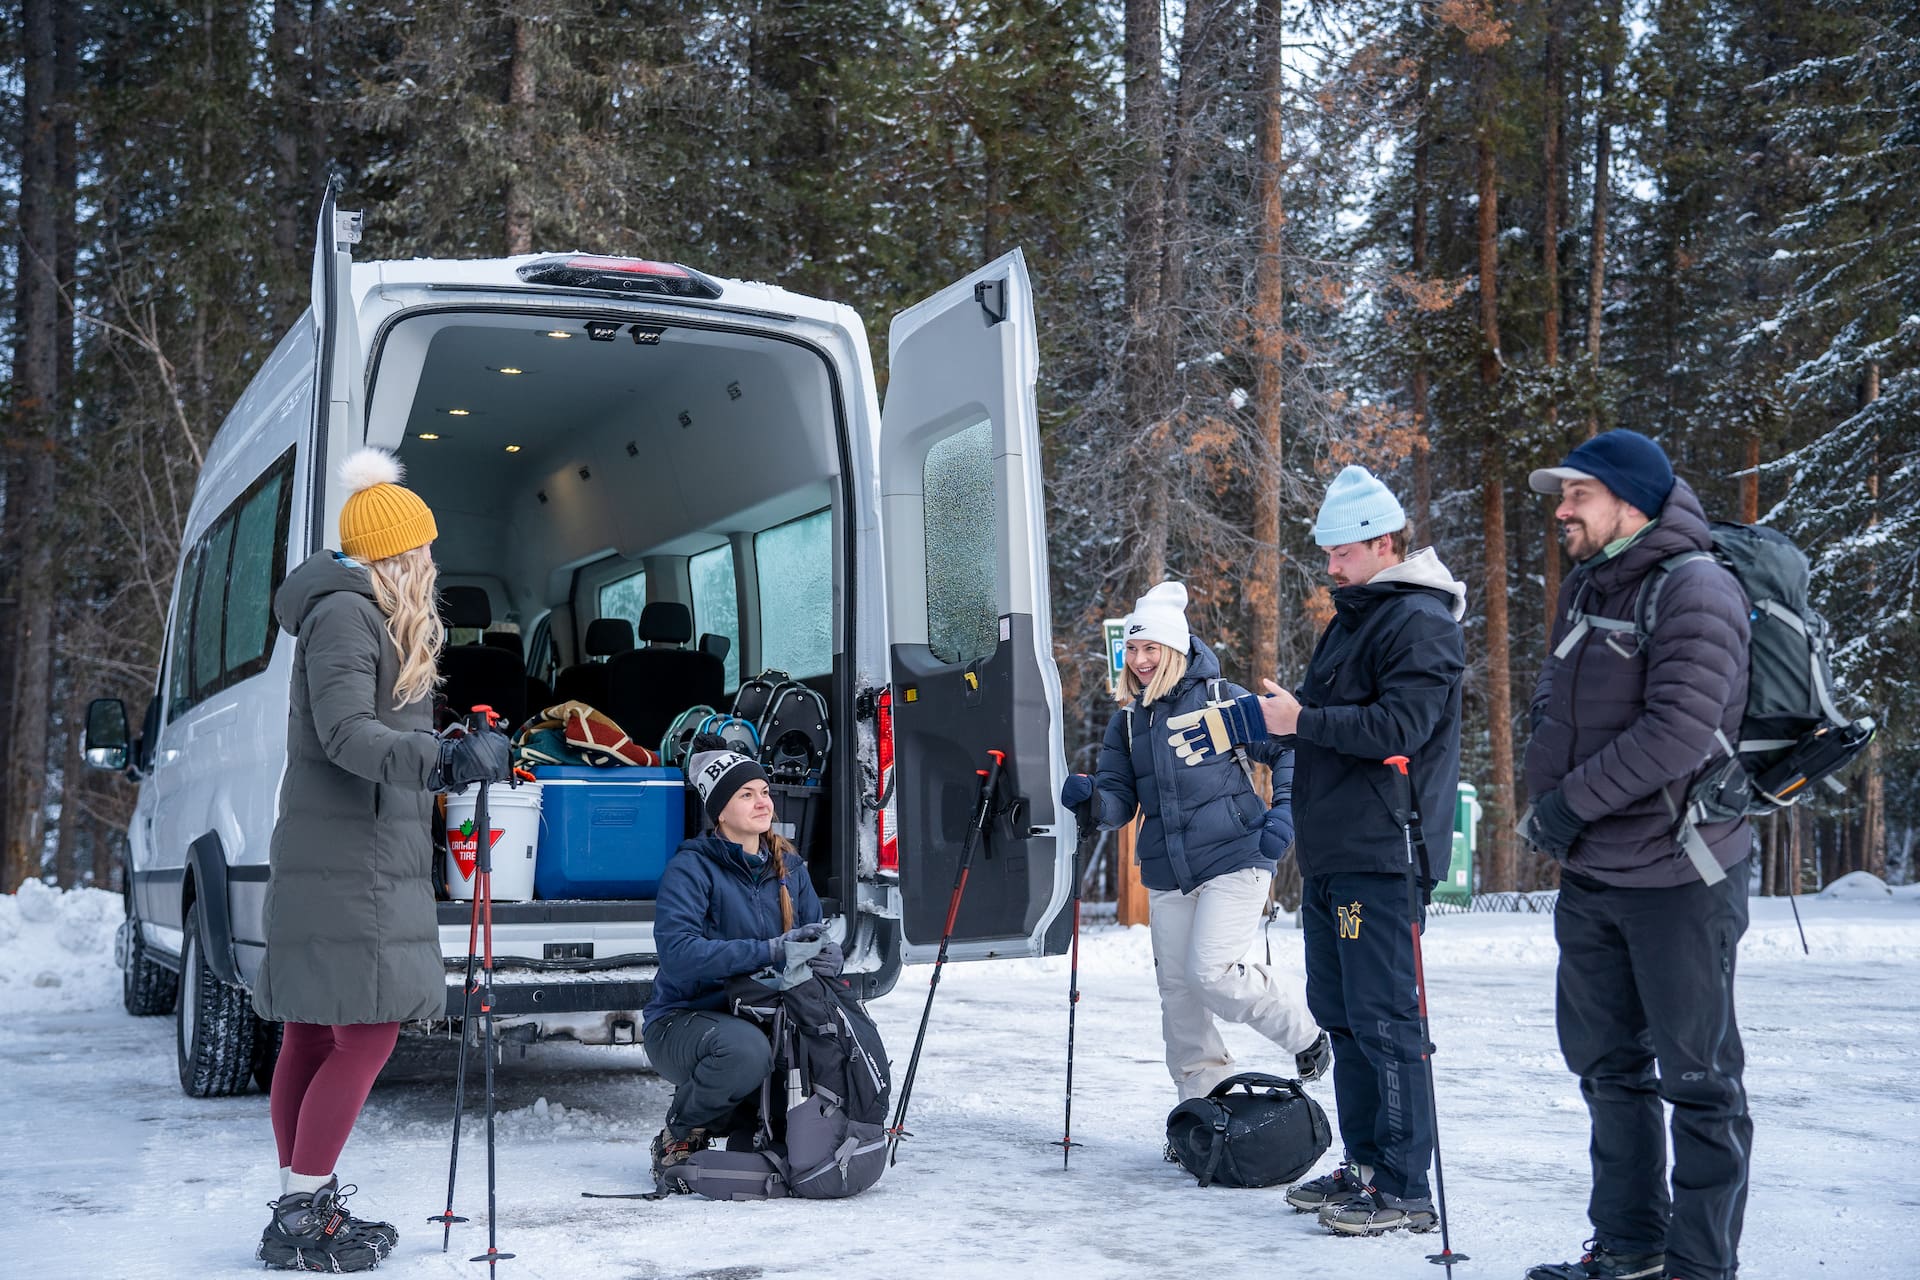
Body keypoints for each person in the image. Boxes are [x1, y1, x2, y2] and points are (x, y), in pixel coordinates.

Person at [1164, 465, 1466, 1237]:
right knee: (1342, 1015)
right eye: (1327, 552)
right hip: (1334, 853)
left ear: (1385, 543)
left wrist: (1297, 720)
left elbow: (1401, 728)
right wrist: (1245, 723)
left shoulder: (1421, 622)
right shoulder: (1356, 619)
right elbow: (1317, 722)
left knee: (1383, 1018)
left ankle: (1404, 1185)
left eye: (1342, 552)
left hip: (1382, 853)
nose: (1330, 565)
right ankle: (1364, 1165)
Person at [251, 447, 512, 1273]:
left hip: (355, 850)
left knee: (316, 1030)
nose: (432, 559)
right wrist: (442, 759)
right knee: (362, 1033)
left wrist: (449, 741)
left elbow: (378, 727)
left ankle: (301, 1203)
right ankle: (302, 1211)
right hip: (348, 858)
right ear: (398, 554)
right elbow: (346, 735)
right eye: (424, 546)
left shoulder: (362, 614)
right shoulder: (344, 614)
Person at [1520, 430, 1753, 1280]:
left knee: (1700, 1082)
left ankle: (1700, 1267)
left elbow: (1678, 732)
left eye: (1577, 494)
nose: (1562, 510)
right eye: (1562, 495)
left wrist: (1565, 805)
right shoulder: (1590, 583)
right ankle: (1629, 1247)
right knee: (1607, 1069)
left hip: (1679, 876)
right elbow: (1557, 696)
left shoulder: (1697, 588)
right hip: (1594, 873)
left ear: (1630, 501)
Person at [1059, 580, 1328, 1109]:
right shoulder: (1127, 723)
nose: (1139, 660)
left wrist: (1284, 812)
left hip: (1236, 855)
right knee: (1179, 995)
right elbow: (1119, 803)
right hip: (1169, 872)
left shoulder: (1221, 700)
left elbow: (1290, 749)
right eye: (1133, 649)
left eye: (1151, 648)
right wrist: (1092, 801)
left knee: (1211, 975)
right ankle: (1201, 1109)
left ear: (1175, 649)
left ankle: (1306, 1035)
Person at [643, 735, 841, 1193]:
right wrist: (770, 949)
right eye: (746, 794)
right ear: (719, 811)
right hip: (686, 1021)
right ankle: (680, 1132)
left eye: (764, 792)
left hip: (767, 1016)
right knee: (746, 1052)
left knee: (825, 1038)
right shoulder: (691, 869)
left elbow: (809, 939)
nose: (762, 802)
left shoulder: (789, 867)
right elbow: (679, 955)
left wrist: (828, 956)